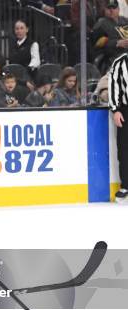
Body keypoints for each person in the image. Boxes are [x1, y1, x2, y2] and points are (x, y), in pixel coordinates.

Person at [109, 52, 128, 202]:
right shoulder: (120, 62)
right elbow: (113, 86)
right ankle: (126, 185)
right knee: (124, 149)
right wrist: (115, 110)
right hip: (126, 111)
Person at [92, 0, 128, 72]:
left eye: (114, 8)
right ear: (105, 10)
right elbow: (96, 45)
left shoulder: (125, 21)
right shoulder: (101, 25)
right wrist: (116, 43)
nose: (111, 10)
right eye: (109, 8)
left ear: (118, 9)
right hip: (112, 56)